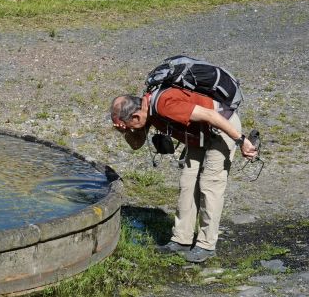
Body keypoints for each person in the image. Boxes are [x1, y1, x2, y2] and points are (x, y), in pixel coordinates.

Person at [110, 87, 258, 263]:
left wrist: (241, 141)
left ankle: (206, 245)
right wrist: (125, 130)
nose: (130, 129)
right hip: (198, 135)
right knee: (188, 183)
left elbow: (212, 116)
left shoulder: (163, 104)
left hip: (222, 128)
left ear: (135, 117)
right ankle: (181, 240)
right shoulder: (145, 110)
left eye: (128, 126)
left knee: (210, 185)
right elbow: (136, 144)